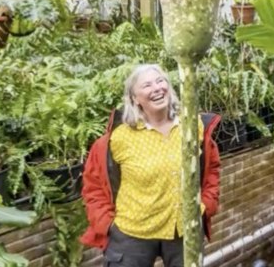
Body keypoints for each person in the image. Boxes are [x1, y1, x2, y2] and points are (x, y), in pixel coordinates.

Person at [80, 64, 223, 267]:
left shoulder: (193, 126)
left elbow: (212, 169)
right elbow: (93, 185)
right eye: (147, 85)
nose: (157, 88)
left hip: (183, 230)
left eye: (160, 81)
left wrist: (206, 205)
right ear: (135, 99)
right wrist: (107, 224)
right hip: (132, 232)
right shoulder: (118, 138)